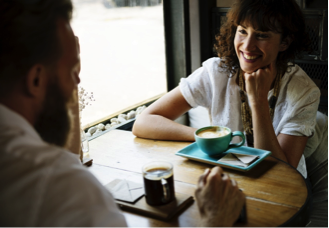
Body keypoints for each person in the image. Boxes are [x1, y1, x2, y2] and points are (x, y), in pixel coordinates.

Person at [0, 0, 245, 227]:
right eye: (72, 71)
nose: (78, 83)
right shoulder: (63, 186)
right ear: (35, 79)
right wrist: (215, 220)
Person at [133, 0, 321, 179]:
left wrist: (258, 101)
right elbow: (143, 122)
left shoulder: (305, 92)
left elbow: (282, 172)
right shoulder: (216, 72)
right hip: (228, 177)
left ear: (284, 42)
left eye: (262, 35)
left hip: (285, 188)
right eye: (242, 31)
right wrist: (209, 139)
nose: (247, 46)